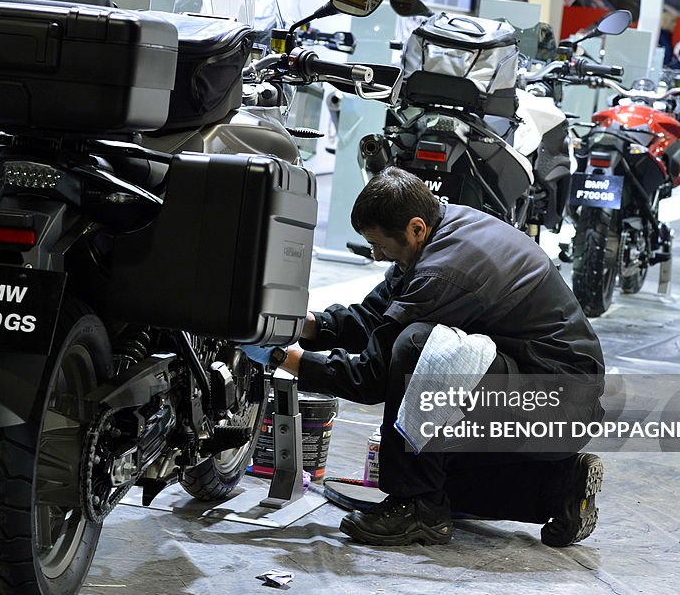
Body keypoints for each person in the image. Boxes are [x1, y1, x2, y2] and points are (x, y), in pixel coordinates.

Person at [243, 168, 606, 547]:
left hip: (555, 403)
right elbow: (377, 318)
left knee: (418, 348)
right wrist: (303, 325)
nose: (376, 254)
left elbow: (372, 377)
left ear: (415, 228)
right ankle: (561, 487)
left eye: (380, 245)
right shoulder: (441, 230)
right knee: (438, 475)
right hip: (540, 394)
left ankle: (416, 509)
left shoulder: (444, 271)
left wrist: (282, 357)